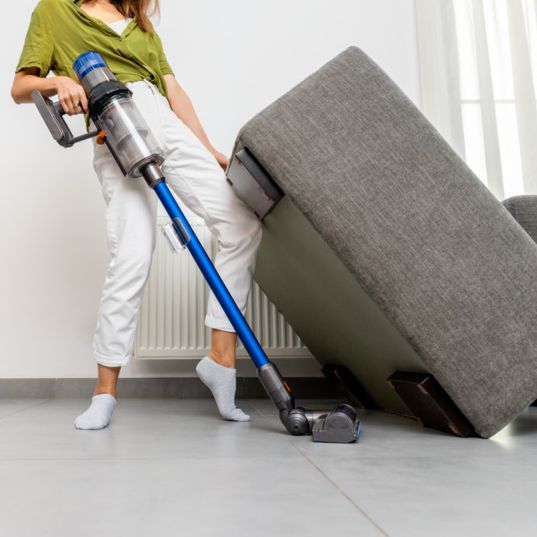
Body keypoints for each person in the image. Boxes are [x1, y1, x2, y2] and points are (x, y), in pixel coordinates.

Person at [11, 0, 263, 429]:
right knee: (133, 253)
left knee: (241, 225)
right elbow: (20, 86)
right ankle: (105, 391)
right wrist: (60, 82)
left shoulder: (142, 25)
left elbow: (171, 88)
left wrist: (208, 149)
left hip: (163, 120)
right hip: (114, 124)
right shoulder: (54, 10)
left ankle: (220, 361)